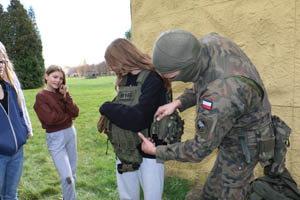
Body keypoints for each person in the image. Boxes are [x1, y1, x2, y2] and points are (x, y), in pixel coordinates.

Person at [139, 30, 274, 200]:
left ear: (187, 68)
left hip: (245, 142)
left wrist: (157, 151)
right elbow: (205, 77)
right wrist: (178, 102)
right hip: (232, 120)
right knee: (210, 192)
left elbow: (199, 150)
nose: (168, 80)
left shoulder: (219, 96)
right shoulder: (208, 43)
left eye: (171, 76)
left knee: (230, 192)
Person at [99, 38, 170, 200]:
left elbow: (139, 118)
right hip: (124, 149)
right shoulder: (125, 78)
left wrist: (107, 108)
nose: (112, 68)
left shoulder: (153, 79)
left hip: (149, 151)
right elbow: (126, 110)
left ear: (122, 58)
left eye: (112, 63)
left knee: (152, 197)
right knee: (127, 197)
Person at [33, 65, 79, 200]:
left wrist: (67, 95)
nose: (58, 80)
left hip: (70, 133)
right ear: (46, 76)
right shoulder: (41, 96)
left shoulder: (62, 94)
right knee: (67, 177)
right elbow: (50, 119)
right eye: (54, 77)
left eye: (60, 78)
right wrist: (69, 117)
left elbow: (75, 112)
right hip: (55, 136)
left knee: (73, 172)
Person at [0, 44, 29, 200]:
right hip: (0, 155)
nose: (0, 65)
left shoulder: (8, 87)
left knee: (11, 195)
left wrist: (22, 131)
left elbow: (19, 111)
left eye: (1, 61)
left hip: (17, 153)